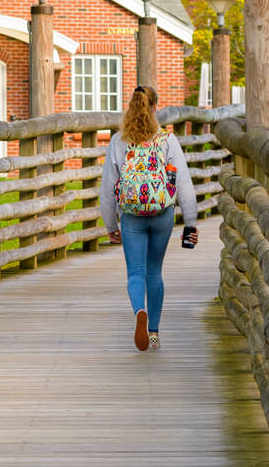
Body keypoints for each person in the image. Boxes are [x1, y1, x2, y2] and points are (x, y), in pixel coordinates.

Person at [99, 85, 197, 351]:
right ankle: (153, 332)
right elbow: (184, 185)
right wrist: (191, 223)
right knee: (155, 271)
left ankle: (138, 311)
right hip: (162, 214)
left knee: (136, 272)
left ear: (130, 107)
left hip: (131, 217)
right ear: (155, 107)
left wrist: (110, 225)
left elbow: (109, 187)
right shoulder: (167, 140)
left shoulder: (119, 141)